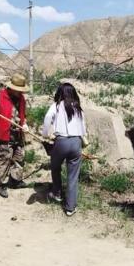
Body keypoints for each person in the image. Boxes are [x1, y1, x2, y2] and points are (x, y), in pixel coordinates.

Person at [41, 83, 87, 216]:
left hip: (61, 142)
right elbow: (83, 129)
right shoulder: (78, 108)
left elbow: (48, 118)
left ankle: (57, 193)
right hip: (76, 142)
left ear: (59, 93)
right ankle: (70, 207)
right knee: (73, 176)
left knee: (55, 167)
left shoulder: (56, 106)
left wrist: (45, 134)